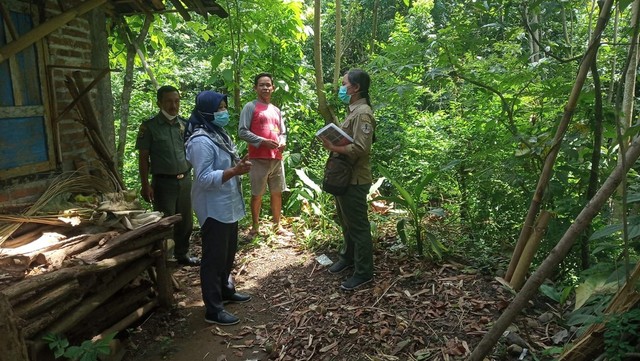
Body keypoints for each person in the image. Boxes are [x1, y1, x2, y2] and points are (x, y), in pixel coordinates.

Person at [185, 90, 253, 326]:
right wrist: (234, 171)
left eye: (224, 106)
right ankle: (212, 309)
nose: (224, 111)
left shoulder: (219, 134)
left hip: (228, 203)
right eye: (220, 108)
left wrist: (238, 164)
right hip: (213, 207)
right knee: (213, 258)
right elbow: (203, 178)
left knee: (227, 253)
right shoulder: (201, 140)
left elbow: (227, 162)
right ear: (206, 111)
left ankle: (225, 289)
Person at [320, 69, 376, 291]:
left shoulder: (363, 113)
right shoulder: (353, 111)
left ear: (355, 88)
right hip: (344, 179)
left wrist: (334, 146)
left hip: (355, 179)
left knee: (358, 226)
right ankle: (347, 258)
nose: (341, 88)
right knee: (346, 221)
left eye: (344, 84)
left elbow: (362, 147)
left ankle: (364, 272)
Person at [136, 85, 198, 266]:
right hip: (163, 183)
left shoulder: (185, 125)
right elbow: (143, 157)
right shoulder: (149, 127)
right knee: (165, 221)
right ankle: (166, 258)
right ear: (159, 103)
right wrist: (145, 184)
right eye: (169, 101)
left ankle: (182, 253)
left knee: (186, 221)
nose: (173, 105)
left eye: (177, 101)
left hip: (185, 180)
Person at [238, 72, 292, 238]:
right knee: (257, 194)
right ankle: (255, 227)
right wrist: (262, 141)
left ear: (273, 88)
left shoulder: (276, 110)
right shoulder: (250, 107)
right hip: (258, 158)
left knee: (276, 192)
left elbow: (283, 132)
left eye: (268, 85)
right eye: (261, 85)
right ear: (255, 88)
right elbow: (242, 131)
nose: (265, 88)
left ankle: (277, 225)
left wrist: (282, 141)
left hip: (276, 158)